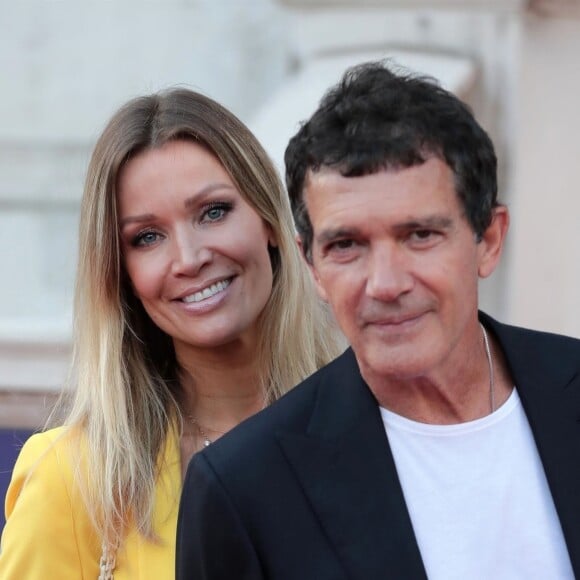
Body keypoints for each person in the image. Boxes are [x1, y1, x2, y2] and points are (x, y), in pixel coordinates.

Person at [175, 61, 580, 579]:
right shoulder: (244, 490)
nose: (385, 284)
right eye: (346, 245)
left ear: (489, 239)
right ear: (312, 266)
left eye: (419, 236)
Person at [0, 88, 342, 579]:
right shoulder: (72, 479)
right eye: (147, 237)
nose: (189, 258)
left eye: (214, 212)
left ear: (268, 219)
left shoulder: (372, 428)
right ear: (121, 274)